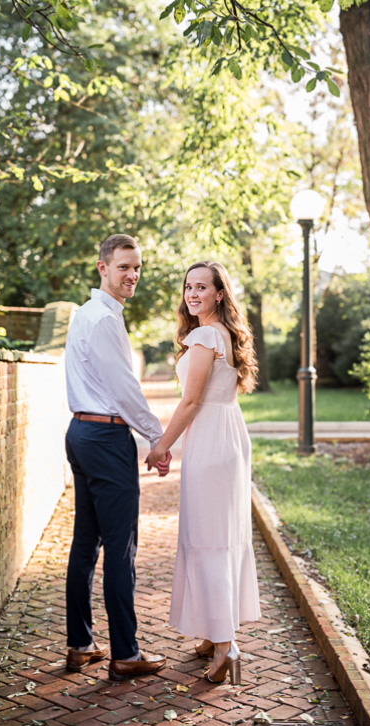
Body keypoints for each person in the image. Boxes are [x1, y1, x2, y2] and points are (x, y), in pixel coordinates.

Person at [145, 261, 261, 684]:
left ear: (218, 294)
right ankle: (215, 634)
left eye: (202, 287)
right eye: (188, 286)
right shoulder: (226, 334)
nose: (192, 294)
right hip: (228, 435)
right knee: (222, 539)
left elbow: (191, 401)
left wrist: (161, 445)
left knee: (208, 541)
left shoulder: (204, 335)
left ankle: (226, 645)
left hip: (212, 440)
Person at [63, 234, 171, 681]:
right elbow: (124, 389)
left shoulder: (85, 314)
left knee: (86, 543)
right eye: (124, 266)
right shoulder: (103, 320)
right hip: (105, 440)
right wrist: (157, 437)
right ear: (102, 267)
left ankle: (81, 645)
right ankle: (125, 652)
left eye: (138, 268)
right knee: (120, 549)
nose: (132, 275)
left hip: (81, 433)